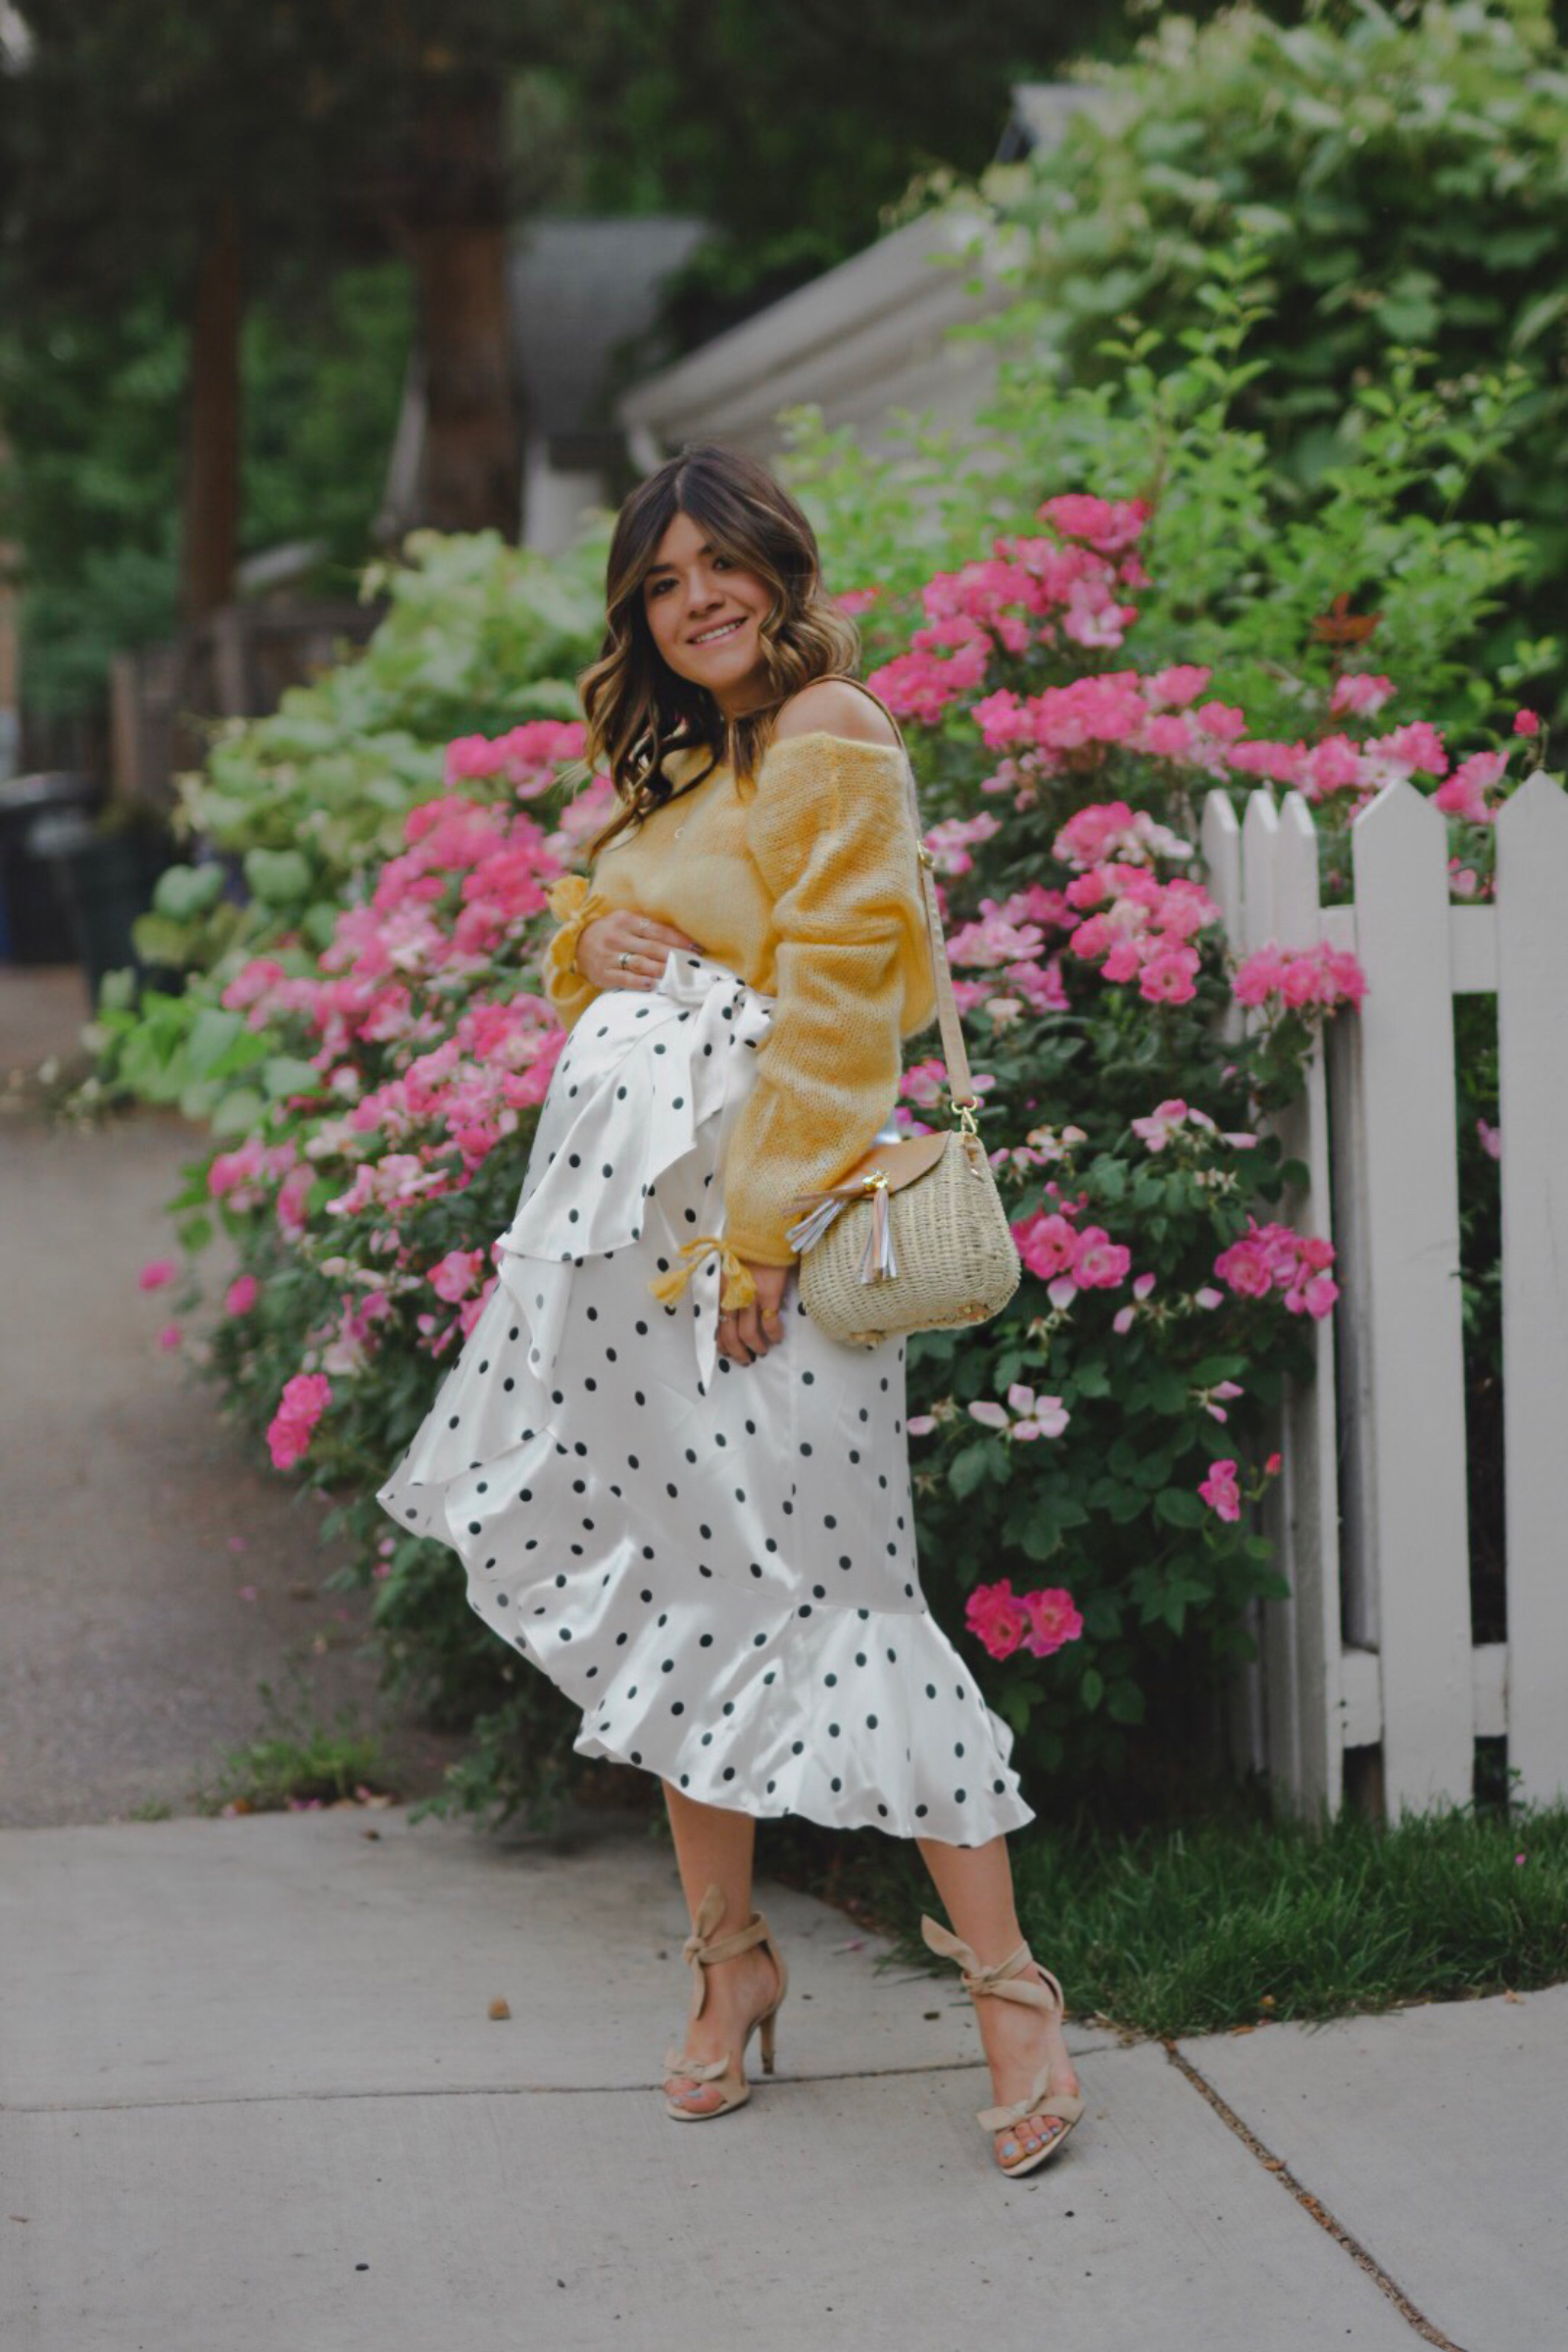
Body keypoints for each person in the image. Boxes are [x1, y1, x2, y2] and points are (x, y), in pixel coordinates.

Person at [376, 442, 1084, 2177]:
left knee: (843, 1588)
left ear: (779, 564)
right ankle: (729, 1969)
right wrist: (583, 947)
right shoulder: (695, 756)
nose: (693, 599)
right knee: (684, 1595)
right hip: (634, 1260)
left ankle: (1010, 1990)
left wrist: (763, 1236)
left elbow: (845, 1006)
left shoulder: (833, 731)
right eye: (661, 579)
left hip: (750, 1254)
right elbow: (632, 928)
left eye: (719, 566)